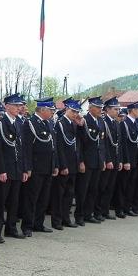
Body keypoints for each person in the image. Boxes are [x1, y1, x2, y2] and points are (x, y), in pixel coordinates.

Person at [0, 94, 28, 241]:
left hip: (17, 168)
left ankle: (11, 228)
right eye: (16, 105)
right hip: (5, 169)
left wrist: (24, 169)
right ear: (7, 106)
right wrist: (0, 170)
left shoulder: (19, 123)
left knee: (14, 201)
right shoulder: (0, 123)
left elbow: (21, 147)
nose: (19, 108)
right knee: (0, 202)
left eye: (20, 106)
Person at [20, 97, 58, 236]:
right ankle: (27, 226)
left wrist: (55, 165)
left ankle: (38, 223)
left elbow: (53, 146)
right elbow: (27, 148)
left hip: (47, 166)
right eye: (50, 110)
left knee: (43, 198)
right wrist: (27, 167)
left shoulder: (48, 123)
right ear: (42, 110)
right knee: (31, 198)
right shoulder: (30, 124)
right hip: (35, 167)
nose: (52, 112)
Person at [75, 97, 106, 225]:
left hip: (97, 161)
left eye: (101, 108)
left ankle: (89, 213)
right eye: (98, 107)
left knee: (93, 189)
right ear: (90, 107)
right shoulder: (84, 121)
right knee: (83, 190)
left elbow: (102, 143)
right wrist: (81, 161)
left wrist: (103, 160)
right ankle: (79, 215)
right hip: (87, 161)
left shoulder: (100, 121)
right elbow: (80, 144)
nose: (100, 110)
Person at [51, 98, 81, 229]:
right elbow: (59, 147)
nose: (75, 114)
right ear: (67, 109)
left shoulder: (74, 124)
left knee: (69, 193)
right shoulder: (60, 123)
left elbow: (77, 144)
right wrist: (63, 165)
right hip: (65, 164)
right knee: (59, 194)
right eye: (73, 111)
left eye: (77, 111)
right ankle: (56, 220)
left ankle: (66, 218)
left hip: (73, 163)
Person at [97, 97, 122, 220]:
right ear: (107, 109)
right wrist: (107, 160)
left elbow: (118, 143)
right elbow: (104, 144)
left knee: (110, 187)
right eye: (115, 109)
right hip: (108, 160)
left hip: (115, 159)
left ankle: (105, 210)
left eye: (118, 109)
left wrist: (120, 160)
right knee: (102, 187)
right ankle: (98, 211)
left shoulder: (115, 123)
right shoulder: (103, 122)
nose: (117, 111)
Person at [117, 101, 138, 217]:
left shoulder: (136, 123)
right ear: (132, 110)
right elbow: (123, 144)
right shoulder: (124, 123)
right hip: (128, 160)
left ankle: (128, 207)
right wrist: (125, 160)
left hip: (135, 159)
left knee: (132, 185)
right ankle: (120, 208)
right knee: (123, 185)